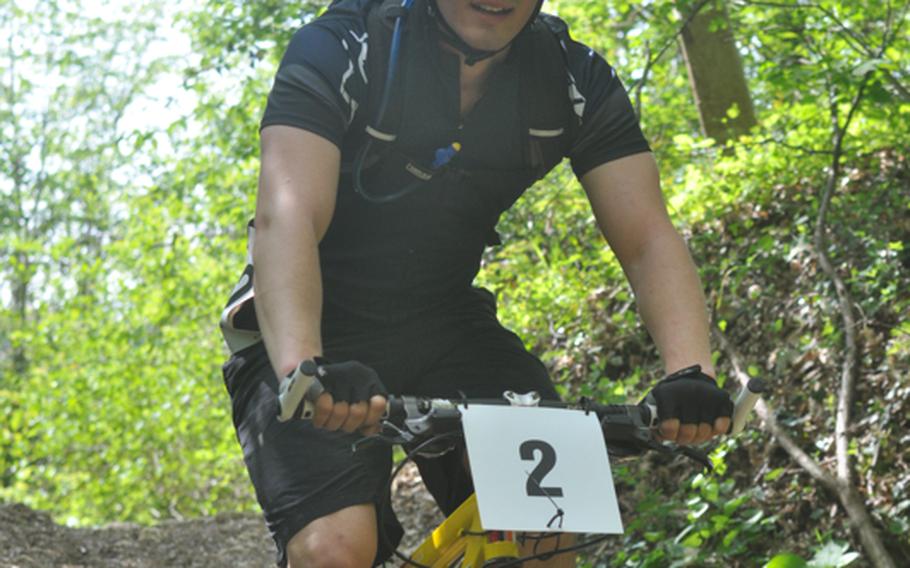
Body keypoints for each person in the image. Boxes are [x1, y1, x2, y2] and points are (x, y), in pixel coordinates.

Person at [220, 0, 734, 566]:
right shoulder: (342, 48)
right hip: (307, 322)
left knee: (547, 535)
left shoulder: (571, 77)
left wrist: (690, 372)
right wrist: (303, 366)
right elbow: (287, 214)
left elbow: (647, 239)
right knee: (336, 547)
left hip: (447, 323)